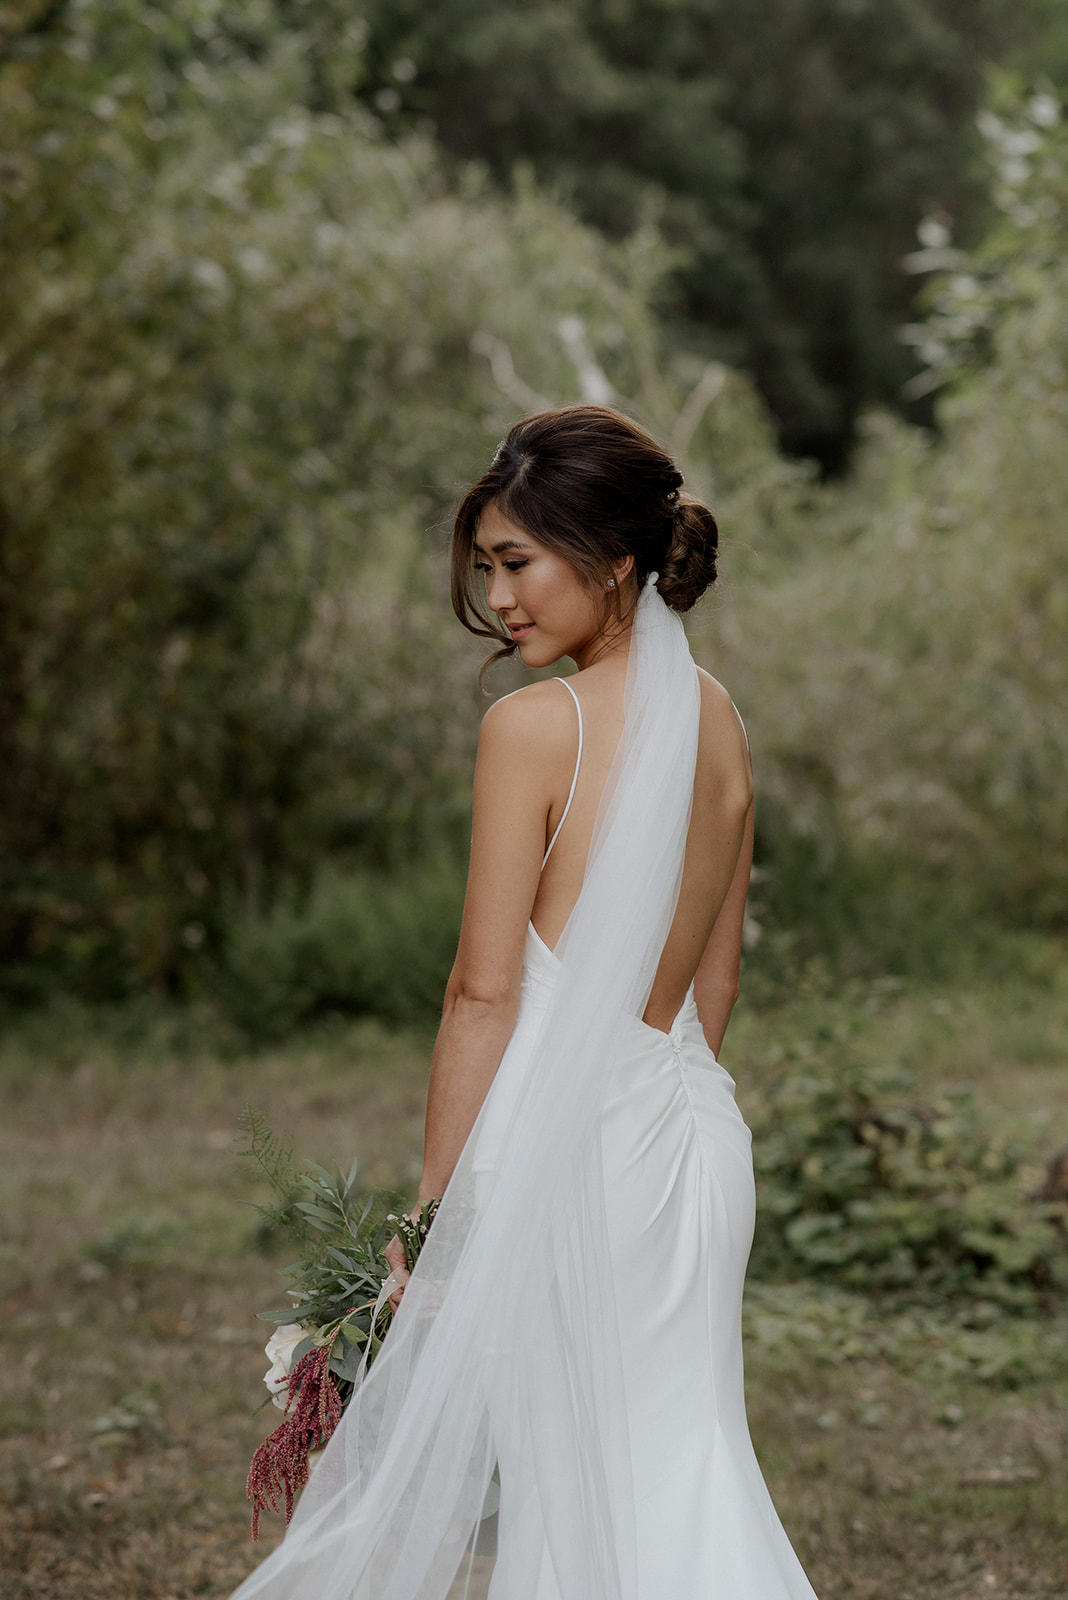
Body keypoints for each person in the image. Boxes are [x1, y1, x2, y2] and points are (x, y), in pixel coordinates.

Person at [231, 405, 818, 1600]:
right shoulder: (720, 721)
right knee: (684, 1462)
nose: (498, 597)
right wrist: (653, 1102)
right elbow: (715, 980)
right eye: (486, 568)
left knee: (574, 1489)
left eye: (517, 563)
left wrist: (430, 1220)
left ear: (613, 559)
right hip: (694, 1143)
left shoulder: (534, 727)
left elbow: (483, 990)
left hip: (568, 1150)